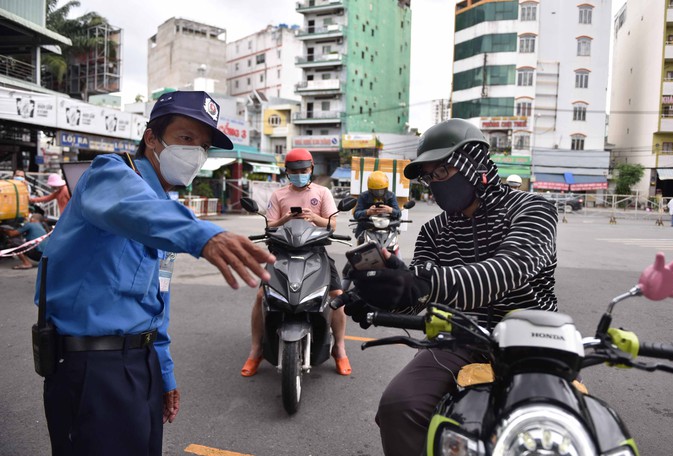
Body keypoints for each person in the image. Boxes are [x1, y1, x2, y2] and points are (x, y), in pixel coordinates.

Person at [36, 90, 275, 456]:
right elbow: (135, 207)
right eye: (186, 138)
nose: (196, 153)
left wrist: (162, 373)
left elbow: (155, 302)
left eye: (204, 146)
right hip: (91, 368)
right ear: (151, 137)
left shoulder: (164, 206)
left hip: (139, 365)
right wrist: (204, 236)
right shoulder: (110, 173)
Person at [345, 118, 559, 456]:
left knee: (552, 428)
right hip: (457, 338)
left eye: (440, 172)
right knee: (397, 406)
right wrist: (379, 295)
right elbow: (416, 297)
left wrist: (421, 285)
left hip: (531, 341)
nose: (434, 184)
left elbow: (508, 270)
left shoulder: (532, 209)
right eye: (428, 178)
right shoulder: (434, 230)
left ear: (473, 162)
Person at [241, 148, 352, 377]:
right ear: (287, 172)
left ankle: (339, 349)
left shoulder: (322, 193)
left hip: (315, 251)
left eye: (303, 170)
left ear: (311, 169)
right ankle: (256, 350)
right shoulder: (279, 195)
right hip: (282, 252)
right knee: (262, 297)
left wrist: (315, 218)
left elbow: (331, 225)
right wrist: (286, 218)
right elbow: (270, 225)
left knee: (337, 296)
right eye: (294, 171)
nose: (299, 174)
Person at [353, 170, 401, 239]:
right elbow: (356, 214)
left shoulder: (391, 195)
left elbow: (398, 213)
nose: (379, 193)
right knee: (361, 244)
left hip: (387, 229)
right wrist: (368, 212)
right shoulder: (363, 196)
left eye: (381, 190)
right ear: (370, 190)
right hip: (367, 228)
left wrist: (390, 210)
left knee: (394, 246)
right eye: (376, 191)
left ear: (386, 189)